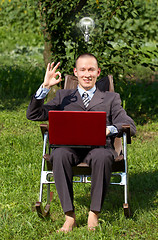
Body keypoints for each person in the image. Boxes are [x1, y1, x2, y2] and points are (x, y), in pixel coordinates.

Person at [27, 53, 136, 232]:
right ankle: (69, 216)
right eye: (83, 70)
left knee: (102, 157)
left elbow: (130, 125)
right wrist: (45, 87)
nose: (87, 74)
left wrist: (110, 129)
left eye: (91, 69)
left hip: (100, 148)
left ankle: (94, 214)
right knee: (59, 154)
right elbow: (34, 115)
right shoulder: (63, 96)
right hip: (68, 148)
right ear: (75, 72)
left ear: (98, 72)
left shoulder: (111, 99)